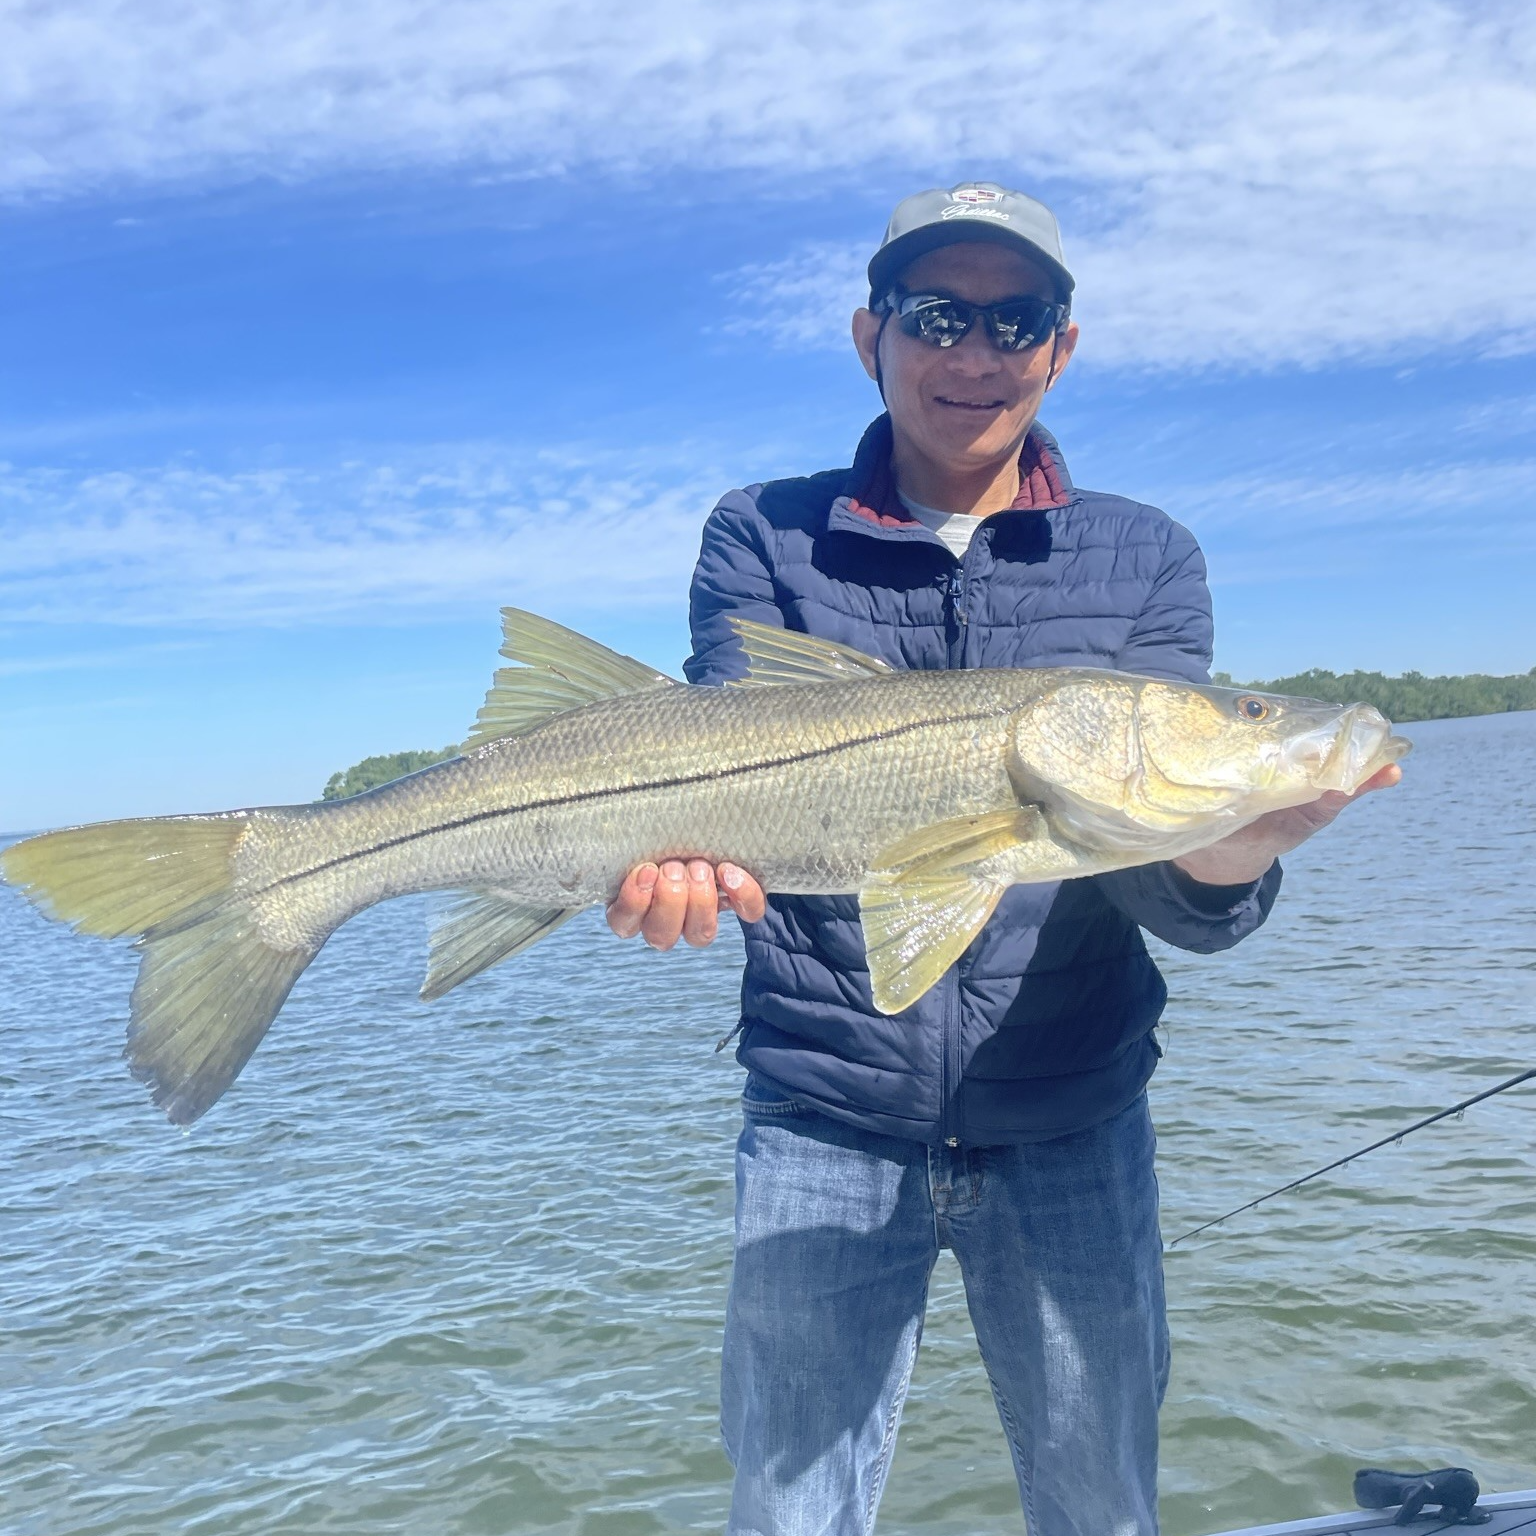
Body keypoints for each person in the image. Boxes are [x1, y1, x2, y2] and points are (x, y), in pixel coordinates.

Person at [606, 182, 1400, 1536]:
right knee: (789, 1513)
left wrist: (1231, 849)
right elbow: (717, 788)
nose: (973, 354)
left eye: (1014, 318)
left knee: (1100, 1508)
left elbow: (1171, 889)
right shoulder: (762, 533)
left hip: (1075, 1113)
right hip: (822, 1109)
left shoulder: (1144, 558)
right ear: (873, 337)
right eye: (936, 316)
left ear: (1061, 347)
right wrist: (666, 874)